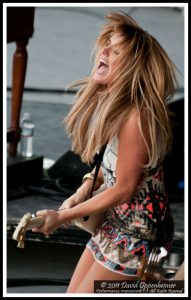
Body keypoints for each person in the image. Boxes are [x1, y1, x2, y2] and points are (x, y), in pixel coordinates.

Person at [32, 11, 177, 293]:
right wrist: (84, 189)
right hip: (116, 226)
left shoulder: (137, 117)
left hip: (139, 238)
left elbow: (124, 188)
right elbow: (112, 167)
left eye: (116, 50)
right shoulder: (119, 108)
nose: (105, 50)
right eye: (106, 44)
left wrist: (61, 218)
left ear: (132, 66)